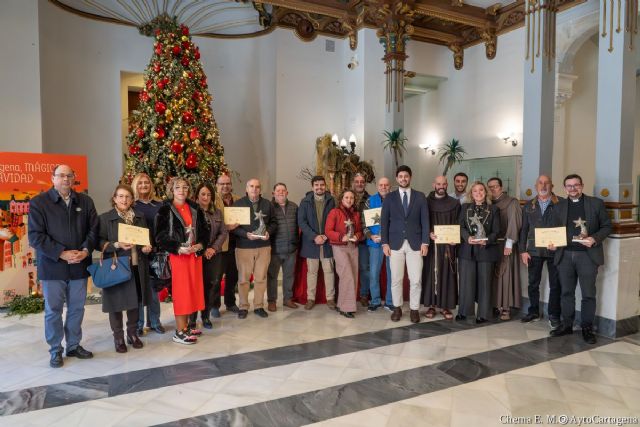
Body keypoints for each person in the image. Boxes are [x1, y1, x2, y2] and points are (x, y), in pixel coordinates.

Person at [28, 164, 98, 368]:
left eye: (69, 175)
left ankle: (74, 345)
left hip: (79, 265)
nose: (65, 179)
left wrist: (85, 250)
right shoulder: (39, 203)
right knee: (53, 310)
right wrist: (61, 253)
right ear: (52, 179)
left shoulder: (85, 201)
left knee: (77, 308)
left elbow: (94, 230)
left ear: (74, 178)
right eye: (61, 176)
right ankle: (55, 349)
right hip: (53, 267)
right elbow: (35, 236)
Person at [549, 174, 612, 344]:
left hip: (587, 256)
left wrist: (595, 238)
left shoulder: (596, 203)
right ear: (564, 188)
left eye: (576, 185)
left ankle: (587, 328)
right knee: (566, 292)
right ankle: (567, 325)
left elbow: (607, 226)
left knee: (588, 294)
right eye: (569, 186)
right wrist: (552, 243)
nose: (572, 188)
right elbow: (554, 230)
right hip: (565, 255)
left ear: (582, 186)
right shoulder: (558, 206)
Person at [98, 184, 152, 353]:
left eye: (127, 196)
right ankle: (118, 337)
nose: (124, 200)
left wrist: (147, 247)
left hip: (137, 265)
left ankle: (132, 333)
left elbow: (146, 239)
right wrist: (115, 244)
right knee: (116, 303)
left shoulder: (140, 217)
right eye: (120, 196)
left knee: (134, 302)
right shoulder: (105, 218)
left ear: (132, 199)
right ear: (114, 198)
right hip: (117, 267)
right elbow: (97, 242)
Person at [155, 177, 208, 344]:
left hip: (193, 255)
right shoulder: (165, 209)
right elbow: (160, 236)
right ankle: (179, 332)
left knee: (192, 290)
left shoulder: (194, 207)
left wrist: (200, 244)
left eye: (185, 187)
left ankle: (187, 326)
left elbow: (204, 230)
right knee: (182, 293)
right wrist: (177, 247)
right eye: (178, 187)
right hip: (178, 257)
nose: (182, 190)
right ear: (172, 189)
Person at [381, 165, 429, 323]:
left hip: (415, 243)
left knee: (415, 279)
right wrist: (384, 243)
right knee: (396, 279)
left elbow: (425, 221)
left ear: (410, 177)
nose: (403, 178)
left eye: (406, 176)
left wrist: (425, 242)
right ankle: (397, 308)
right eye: (400, 176)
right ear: (397, 178)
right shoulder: (389, 197)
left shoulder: (420, 196)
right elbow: (384, 222)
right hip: (395, 244)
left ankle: (414, 309)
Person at [519, 175, 562, 328]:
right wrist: (522, 251)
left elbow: (566, 228)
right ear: (536, 185)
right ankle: (534, 312)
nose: (543, 186)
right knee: (533, 284)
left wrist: (560, 245)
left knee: (556, 284)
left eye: (546, 183)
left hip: (555, 251)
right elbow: (523, 229)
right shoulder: (529, 205)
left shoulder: (562, 203)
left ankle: (554, 314)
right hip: (533, 251)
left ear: (552, 185)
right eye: (540, 183)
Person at [232, 178, 277, 319]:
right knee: (244, 279)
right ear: (246, 188)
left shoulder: (268, 204)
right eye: (251, 186)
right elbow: (233, 227)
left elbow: (274, 222)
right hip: (244, 247)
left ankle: (258, 306)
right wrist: (245, 234)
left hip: (263, 247)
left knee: (261, 278)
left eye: (257, 187)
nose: (254, 189)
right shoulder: (238, 204)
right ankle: (243, 307)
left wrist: (269, 231)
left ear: (260, 189)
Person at [457, 182, 501, 323]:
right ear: (471, 193)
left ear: (486, 192)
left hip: (486, 250)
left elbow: (497, 231)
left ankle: (483, 314)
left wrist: (487, 240)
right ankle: (464, 312)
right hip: (467, 250)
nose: (478, 192)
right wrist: (467, 237)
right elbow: (460, 227)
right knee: (466, 282)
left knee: (485, 283)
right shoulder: (465, 208)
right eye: (475, 191)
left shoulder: (494, 209)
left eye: (481, 190)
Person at [189, 183, 227, 329]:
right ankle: (192, 319)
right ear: (197, 196)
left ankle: (205, 316)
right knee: (195, 286)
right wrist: (201, 248)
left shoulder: (217, 213)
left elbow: (223, 232)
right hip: (196, 255)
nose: (205, 197)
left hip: (213, 255)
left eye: (208, 195)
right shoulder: (192, 212)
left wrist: (213, 248)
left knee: (210, 285)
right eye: (203, 194)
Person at [422, 176, 461, 320]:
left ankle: (445, 306)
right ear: (434, 184)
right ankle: (431, 305)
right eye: (438, 184)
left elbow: (459, 223)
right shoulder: (425, 202)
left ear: (447, 185)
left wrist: (455, 239)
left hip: (448, 246)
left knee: (447, 274)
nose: (441, 186)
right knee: (431, 274)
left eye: (444, 184)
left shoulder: (454, 203)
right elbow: (420, 221)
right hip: (431, 246)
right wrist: (427, 234)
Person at [131, 172, 165, 335]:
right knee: (139, 290)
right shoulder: (131, 205)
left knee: (153, 290)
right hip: (138, 253)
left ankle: (155, 322)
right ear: (135, 186)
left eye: (146, 183)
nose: (144, 185)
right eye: (140, 183)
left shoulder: (159, 205)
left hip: (155, 252)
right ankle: (138, 325)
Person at [298, 176, 336, 310]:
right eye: (316, 185)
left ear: (325, 186)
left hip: (327, 242)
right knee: (312, 272)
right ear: (312, 186)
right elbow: (302, 222)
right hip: (311, 243)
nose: (319, 187)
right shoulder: (305, 202)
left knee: (329, 271)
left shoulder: (332, 201)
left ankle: (330, 298)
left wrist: (326, 235)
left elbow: (336, 220)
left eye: (321, 185)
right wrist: (314, 236)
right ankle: (310, 298)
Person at [487, 177, 522, 321]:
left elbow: (515, 222)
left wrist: (509, 243)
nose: (493, 189)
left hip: (506, 244)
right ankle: (495, 305)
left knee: (505, 276)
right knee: (493, 277)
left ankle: (506, 307)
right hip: (491, 244)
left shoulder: (512, 202)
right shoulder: (488, 204)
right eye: (490, 187)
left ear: (501, 187)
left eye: (495, 186)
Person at [325, 189, 363, 318]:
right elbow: (328, 231)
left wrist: (357, 236)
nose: (349, 200)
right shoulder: (334, 212)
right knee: (347, 275)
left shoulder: (356, 214)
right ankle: (346, 308)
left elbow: (359, 231)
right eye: (346, 197)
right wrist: (341, 237)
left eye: (351, 198)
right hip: (339, 247)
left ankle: (344, 305)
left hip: (353, 247)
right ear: (341, 199)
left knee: (353, 275)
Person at [267, 183, 299, 310]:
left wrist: (296, 242)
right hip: (274, 249)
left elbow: (298, 226)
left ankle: (287, 299)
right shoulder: (269, 207)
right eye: (278, 190)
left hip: (291, 249)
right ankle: (271, 301)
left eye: (283, 190)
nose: (281, 192)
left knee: (289, 276)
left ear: (287, 193)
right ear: (273, 193)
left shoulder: (294, 207)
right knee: (272, 276)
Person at [363, 177, 392, 312]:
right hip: (374, 243)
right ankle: (375, 301)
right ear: (377, 186)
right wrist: (370, 235)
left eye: (386, 185)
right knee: (374, 273)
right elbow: (363, 223)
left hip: (392, 243)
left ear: (390, 186)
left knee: (392, 273)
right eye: (381, 185)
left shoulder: (395, 200)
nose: (383, 187)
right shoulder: (370, 200)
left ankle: (390, 301)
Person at [214, 174, 241, 315]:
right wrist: (227, 227)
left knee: (233, 276)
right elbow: (212, 220)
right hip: (220, 245)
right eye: (222, 184)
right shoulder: (213, 200)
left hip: (236, 244)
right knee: (217, 277)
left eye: (228, 183)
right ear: (217, 185)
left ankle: (230, 303)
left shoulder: (238, 200)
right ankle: (214, 306)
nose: (225, 186)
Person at [352, 173, 370, 307]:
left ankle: (364, 295)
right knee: (349, 269)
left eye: (362, 181)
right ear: (353, 182)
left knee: (364, 268)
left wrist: (365, 234)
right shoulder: (347, 197)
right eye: (357, 181)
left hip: (363, 240)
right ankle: (349, 295)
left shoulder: (370, 199)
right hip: (348, 240)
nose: (359, 183)